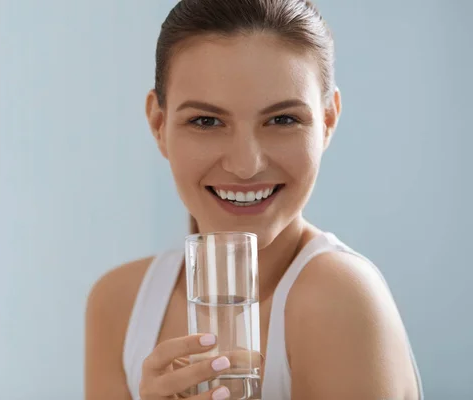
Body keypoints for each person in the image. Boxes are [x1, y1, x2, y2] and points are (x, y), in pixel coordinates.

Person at [85, 0, 423, 398]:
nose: (245, 165)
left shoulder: (338, 298)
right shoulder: (119, 302)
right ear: (159, 124)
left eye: (282, 120)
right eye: (206, 121)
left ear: (328, 120)